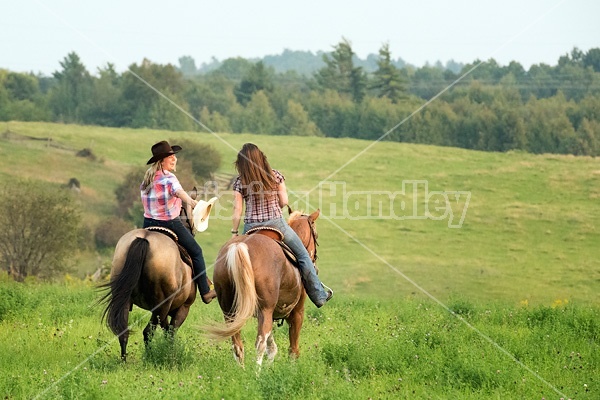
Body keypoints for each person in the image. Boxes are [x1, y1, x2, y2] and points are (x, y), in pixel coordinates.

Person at [231, 143, 333, 308]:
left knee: (233, 260)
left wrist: (234, 232)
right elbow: (284, 202)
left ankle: (231, 297)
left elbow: (237, 209)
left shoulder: (239, 182)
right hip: (276, 225)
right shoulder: (275, 176)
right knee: (303, 256)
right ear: (262, 158)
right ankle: (319, 295)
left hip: (250, 228)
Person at [141, 140, 217, 304]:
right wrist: (191, 202)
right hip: (169, 223)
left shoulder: (147, 179)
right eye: (171, 157)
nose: (174, 159)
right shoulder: (169, 178)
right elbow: (178, 192)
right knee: (196, 251)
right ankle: (205, 292)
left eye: (174, 156)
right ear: (162, 161)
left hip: (148, 223)